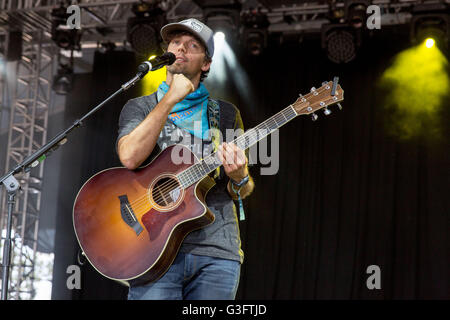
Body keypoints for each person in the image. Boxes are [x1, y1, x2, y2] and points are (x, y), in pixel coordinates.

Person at [116, 18, 255, 300]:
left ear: (205, 63)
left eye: (192, 45)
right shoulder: (140, 106)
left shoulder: (225, 114)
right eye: (176, 42)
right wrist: (169, 100)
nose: (181, 48)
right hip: (153, 251)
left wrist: (240, 176)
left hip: (216, 253)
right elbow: (129, 157)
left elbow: (241, 189)